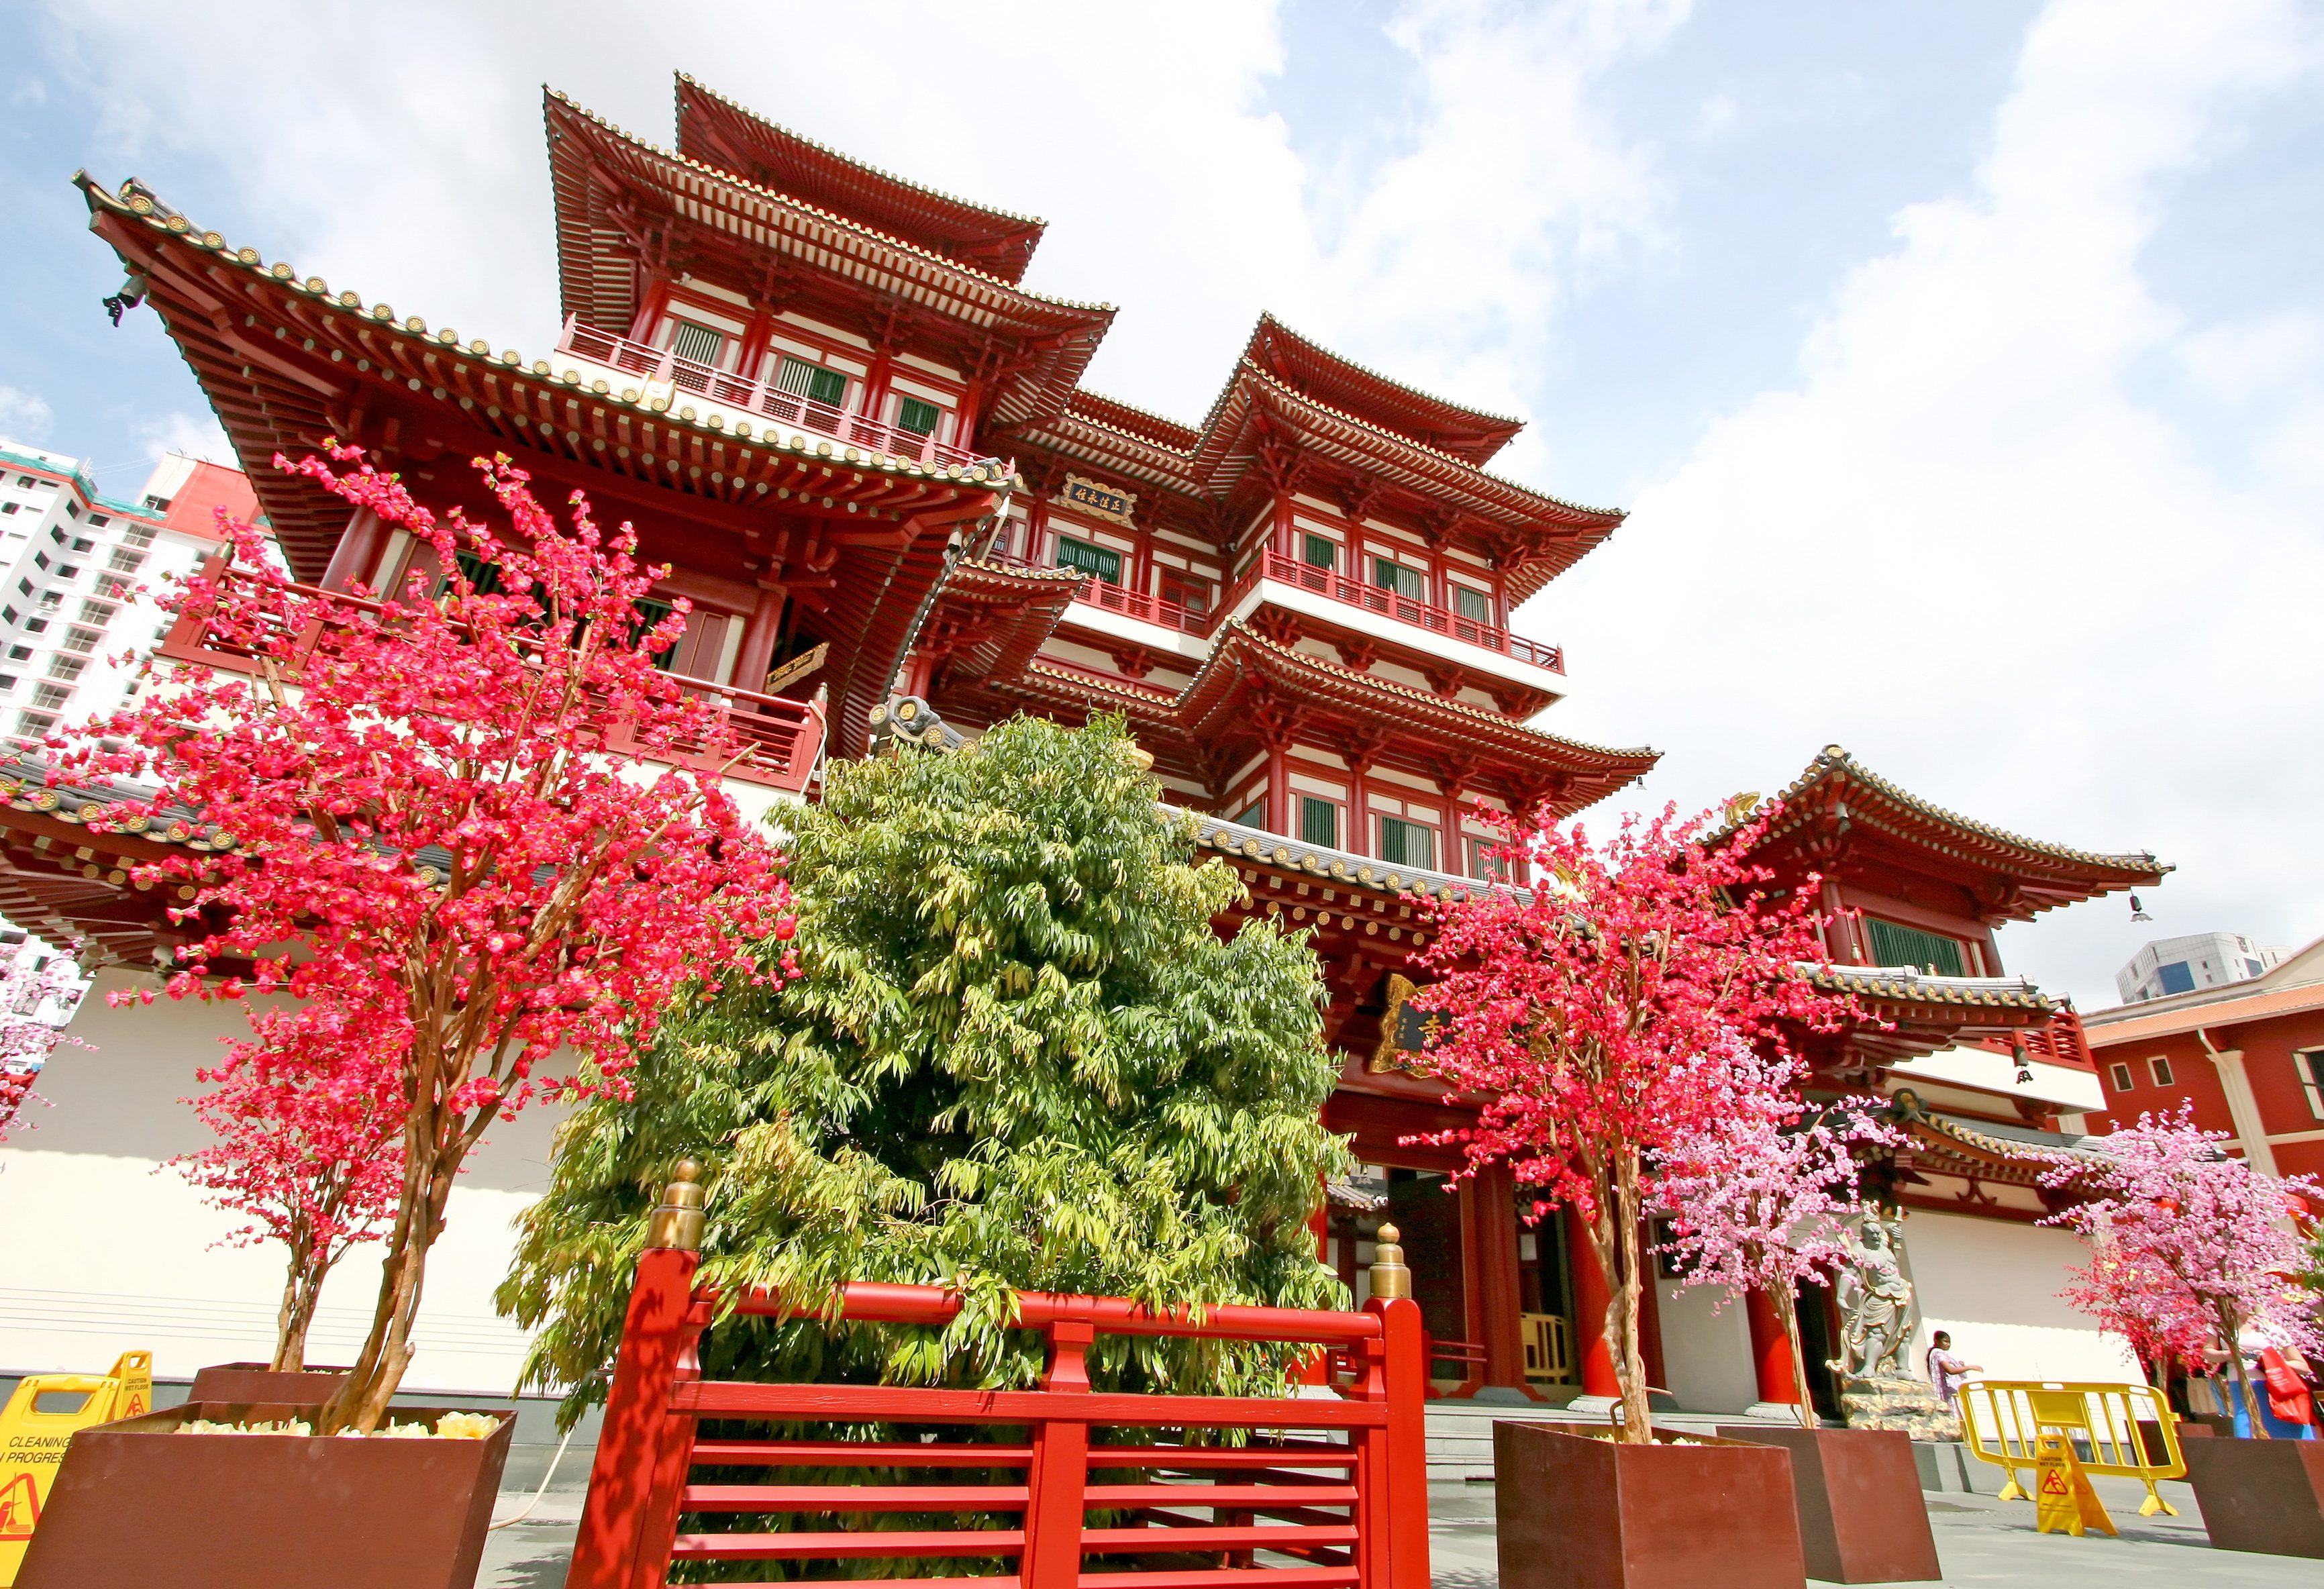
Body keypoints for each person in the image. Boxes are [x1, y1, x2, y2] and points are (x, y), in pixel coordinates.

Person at [1925, 1331, 1980, 1408]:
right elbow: (1950, 1370)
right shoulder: (1939, 1353)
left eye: (1949, 1342)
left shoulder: (1937, 1353)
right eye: (1945, 1341)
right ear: (1937, 1341)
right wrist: (1970, 1367)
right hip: (1949, 1392)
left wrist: (1959, 1365)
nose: (1948, 1344)